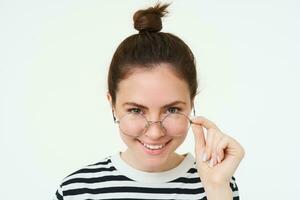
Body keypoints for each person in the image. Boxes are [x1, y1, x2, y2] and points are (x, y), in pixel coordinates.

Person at [53, 2, 245, 200]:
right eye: (136, 110)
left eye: (172, 110)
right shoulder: (76, 191)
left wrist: (216, 189)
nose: (155, 133)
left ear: (192, 103)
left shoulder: (218, 182)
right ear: (112, 105)